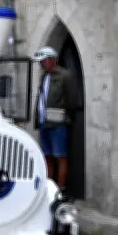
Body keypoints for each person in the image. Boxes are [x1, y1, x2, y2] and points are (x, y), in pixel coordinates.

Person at [33, 46, 77, 191]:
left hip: (58, 122)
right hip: (43, 121)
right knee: (47, 156)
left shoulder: (65, 76)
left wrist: (65, 115)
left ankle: (61, 188)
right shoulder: (44, 76)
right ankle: (49, 187)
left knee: (60, 156)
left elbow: (72, 100)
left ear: (52, 60)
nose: (41, 64)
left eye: (43, 61)